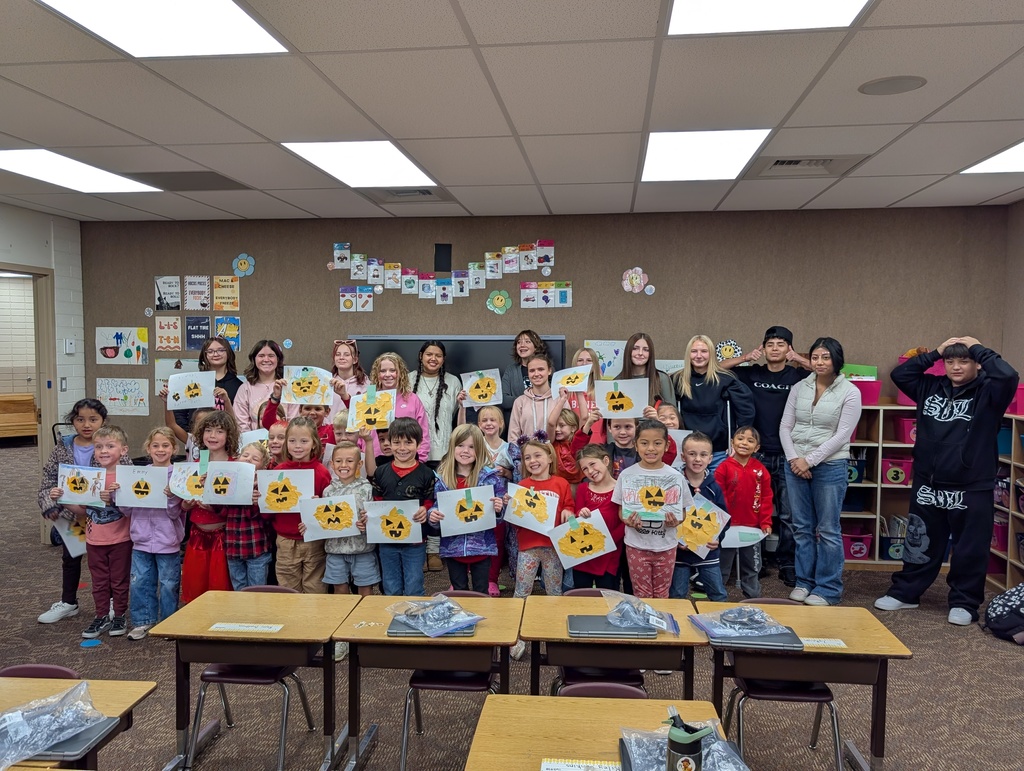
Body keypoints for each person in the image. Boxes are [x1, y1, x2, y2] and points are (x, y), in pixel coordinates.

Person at [875, 337, 1019, 625]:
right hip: (929, 481)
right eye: (950, 361)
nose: (955, 366)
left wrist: (976, 346)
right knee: (919, 540)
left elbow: (1008, 375)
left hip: (971, 484)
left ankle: (964, 602)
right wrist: (937, 352)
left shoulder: (990, 392)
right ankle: (906, 593)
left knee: (970, 546)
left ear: (977, 363)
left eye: (963, 361)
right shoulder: (929, 386)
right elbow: (900, 374)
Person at [721, 326, 809, 586]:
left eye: (781, 344)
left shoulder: (799, 375)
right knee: (748, 507)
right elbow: (717, 367)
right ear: (763, 347)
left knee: (788, 513)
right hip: (752, 453)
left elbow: (831, 374)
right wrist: (746, 357)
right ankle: (752, 558)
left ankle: (787, 562)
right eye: (770, 343)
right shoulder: (751, 373)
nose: (775, 348)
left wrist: (800, 358)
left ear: (788, 349)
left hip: (788, 452)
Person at [780, 337, 862, 606]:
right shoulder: (798, 387)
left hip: (830, 465)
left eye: (825, 357)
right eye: (815, 357)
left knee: (827, 529)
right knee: (801, 528)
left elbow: (842, 435)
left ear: (836, 360)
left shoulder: (850, 391)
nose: (819, 362)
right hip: (795, 465)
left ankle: (828, 589)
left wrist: (810, 460)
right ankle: (804, 583)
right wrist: (795, 459)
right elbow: (785, 427)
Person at [37, 398, 130, 624]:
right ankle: (68, 602)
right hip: (72, 515)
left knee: (107, 562)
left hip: (104, 517)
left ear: (103, 421)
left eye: (93, 419)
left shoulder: (112, 446)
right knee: (71, 558)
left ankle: (110, 602)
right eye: (80, 419)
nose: (86, 424)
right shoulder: (63, 447)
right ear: (73, 421)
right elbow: (48, 478)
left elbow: (126, 478)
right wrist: (49, 503)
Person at [62, 425, 133, 639]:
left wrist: (113, 499)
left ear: (123, 450)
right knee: (99, 581)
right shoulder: (90, 477)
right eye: (99, 446)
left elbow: (134, 508)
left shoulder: (126, 476)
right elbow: (82, 510)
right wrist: (63, 499)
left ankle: (119, 614)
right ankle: (101, 615)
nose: (103, 451)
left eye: (110, 446)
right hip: (93, 539)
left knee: (119, 580)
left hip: (121, 538)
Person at [509, 439, 573, 659]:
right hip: (528, 547)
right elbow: (515, 523)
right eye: (527, 458)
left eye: (537, 456)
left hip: (553, 548)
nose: (532, 461)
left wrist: (568, 512)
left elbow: (568, 507)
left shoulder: (561, 484)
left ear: (549, 457)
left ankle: (553, 635)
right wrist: (513, 508)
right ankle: (515, 637)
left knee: (554, 593)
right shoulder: (523, 486)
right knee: (521, 591)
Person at [613, 418, 690, 599]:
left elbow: (683, 511)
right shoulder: (627, 475)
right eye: (644, 443)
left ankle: (660, 625)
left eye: (657, 443)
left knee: (662, 593)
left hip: (666, 546)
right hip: (636, 545)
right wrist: (627, 520)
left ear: (666, 445)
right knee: (642, 593)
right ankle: (645, 626)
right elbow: (621, 510)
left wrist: (676, 520)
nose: (650, 449)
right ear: (636, 444)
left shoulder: (675, 477)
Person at [429, 424, 506, 594]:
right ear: (452, 448)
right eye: (461, 445)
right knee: (459, 593)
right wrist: (432, 516)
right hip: (453, 549)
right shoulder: (443, 480)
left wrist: (499, 509)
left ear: (479, 449)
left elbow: (500, 515)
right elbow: (436, 507)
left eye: (471, 447)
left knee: (481, 592)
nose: (466, 451)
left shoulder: (490, 479)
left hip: (482, 547)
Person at [124, 427, 184, 640]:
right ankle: (143, 621)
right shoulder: (138, 475)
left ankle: (168, 622)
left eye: (165, 445)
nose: (160, 449)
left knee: (169, 583)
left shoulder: (178, 476)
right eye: (155, 445)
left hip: (167, 539)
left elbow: (176, 512)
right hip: (140, 539)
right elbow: (127, 510)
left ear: (174, 448)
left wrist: (172, 495)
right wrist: (116, 495)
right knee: (140, 581)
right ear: (148, 448)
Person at [412, 341, 466, 571]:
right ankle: (420, 550)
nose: (433, 359)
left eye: (438, 355)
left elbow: (456, 417)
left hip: (444, 454)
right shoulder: (407, 378)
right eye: (429, 354)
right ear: (421, 356)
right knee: (417, 503)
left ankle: (434, 550)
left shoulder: (453, 382)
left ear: (443, 359)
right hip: (414, 453)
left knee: (438, 503)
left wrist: (465, 403)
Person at [366, 418, 436, 596]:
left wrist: (425, 511)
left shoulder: (426, 473)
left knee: (414, 583)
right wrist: (369, 515)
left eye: (408, 442)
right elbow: (376, 501)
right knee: (390, 584)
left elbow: (430, 500)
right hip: (387, 541)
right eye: (397, 442)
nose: (402, 448)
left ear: (419, 444)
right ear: (389, 442)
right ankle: (393, 617)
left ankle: (414, 618)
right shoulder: (381, 472)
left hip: (415, 541)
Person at [177, 411, 238, 603]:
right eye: (208, 431)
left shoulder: (235, 465)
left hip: (223, 536)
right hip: (197, 535)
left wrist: (215, 509)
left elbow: (239, 506)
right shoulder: (196, 464)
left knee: (220, 587)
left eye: (219, 431)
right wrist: (186, 504)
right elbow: (184, 501)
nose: (212, 436)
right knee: (196, 585)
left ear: (228, 435)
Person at [674, 334, 755, 474]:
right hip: (688, 452)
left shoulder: (726, 379)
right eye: (694, 351)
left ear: (711, 354)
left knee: (717, 493)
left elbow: (746, 411)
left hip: (718, 451)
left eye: (704, 351)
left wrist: (739, 440)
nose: (699, 356)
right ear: (688, 354)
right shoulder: (678, 379)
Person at [271, 416, 332, 593]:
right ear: (286, 444)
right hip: (285, 540)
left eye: (304, 441)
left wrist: (318, 507)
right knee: (288, 588)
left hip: (313, 540)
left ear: (314, 443)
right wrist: (263, 499)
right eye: (292, 441)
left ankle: (314, 620)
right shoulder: (278, 472)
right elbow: (268, 513)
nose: (298, 446)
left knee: (315, 587)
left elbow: (329, 509)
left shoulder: (321, 472)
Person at [716, 427, 774, 599]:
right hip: (727, 528)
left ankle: (754, 599)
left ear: (756, 447)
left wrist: (765, 522)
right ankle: (717, 599)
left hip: (753, 528)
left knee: (752, 566)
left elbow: (766, 497)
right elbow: (719, 496)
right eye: (741, 439)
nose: (744, 443)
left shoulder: (761, 470)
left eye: (750, 440)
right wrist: (722, 521)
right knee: (722, 566)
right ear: (733, 442)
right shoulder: (723, 467)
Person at [672, 432, 729, 602]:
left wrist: (717, 539)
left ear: (710, 459)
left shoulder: (714, 488)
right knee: (676, 595)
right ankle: (678, 626)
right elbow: (667, 514)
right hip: (679, 554)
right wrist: (675, 541)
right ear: (683, 456)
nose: (698, 459)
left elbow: (723, 520)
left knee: (718, 594)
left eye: (703, 455)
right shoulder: (675, 484)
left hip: (707, 552)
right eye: (692, 454)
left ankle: (720, 626)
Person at [319, 443, 377, 596]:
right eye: (338, 461)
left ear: (359, 464)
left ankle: (366, 617)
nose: (343, 465)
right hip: (335, 549)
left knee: (365, 588)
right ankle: (343, 617)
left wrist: (366, 523)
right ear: (332, 464)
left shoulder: (367, 489)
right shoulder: (327, 492)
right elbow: (323, 520)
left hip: (362, 548)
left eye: (349, 461)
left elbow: (374, 518)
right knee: (339, 588)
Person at [477, 405, 519, 596]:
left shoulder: (509, 448)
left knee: (497, 541)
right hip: (478, 501)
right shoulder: (475, 445)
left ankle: (491, 579)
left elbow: (518, 475)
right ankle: (467, 577)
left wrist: (506, 472)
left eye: (492, 420)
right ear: (479, 424)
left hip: (501, 503)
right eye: (484, 420)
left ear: (501, 423)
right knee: (475, 540)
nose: (488, 423)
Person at [221, 441, 273, 590]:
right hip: (233, 548)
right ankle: (241, 614)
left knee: (257, 591)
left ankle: (257, 614)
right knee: (238, 589)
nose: (249, 459)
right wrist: (212, 498)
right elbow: (224, 512)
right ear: (237, 459)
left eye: (255, 458)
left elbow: (264, 517)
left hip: (256, 550)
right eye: (245, 455)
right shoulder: (229, 483)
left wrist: (255, 503)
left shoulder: (263, 486)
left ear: (263, 467)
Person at [573, 444, 624, 590]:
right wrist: (579, 514)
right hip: (584, 555)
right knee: (581, 594)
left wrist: (604, 543)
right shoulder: (583, 489)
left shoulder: (620, 489)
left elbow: (624, 524)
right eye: (585, 469)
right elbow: (575, 523)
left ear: (606, 461)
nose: (590, 471)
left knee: (607, 595)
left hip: (609, 555)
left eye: (592, 464)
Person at [367, 352, 431, 464]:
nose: (388, 374)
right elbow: (359, 429)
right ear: (377, 374)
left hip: (407, 459)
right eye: (383, 371)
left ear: (400, 373)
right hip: (374, 459)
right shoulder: (370, 397)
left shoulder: (412, 399)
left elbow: (423, 433)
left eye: (392, 370)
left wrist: (420, 459)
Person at [172, 336, 243, 432]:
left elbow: (240, 419)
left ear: (228, 353)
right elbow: (179, 413)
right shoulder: (193, 381)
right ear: (204, 355)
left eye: (221, 350)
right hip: (196, 441)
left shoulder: (239, 386)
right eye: (210, 351)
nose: (216, 354)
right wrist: (191, 436)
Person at [233, 340, 296, 432]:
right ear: (254, 359)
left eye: (271, 356)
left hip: (285, 441)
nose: (266, 359)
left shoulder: (288, 387)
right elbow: (241, 424)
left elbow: (294, 421)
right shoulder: (245, 388)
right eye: (261, 356)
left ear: (278, 359)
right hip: (253, 443)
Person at [508, 354, 556, 444]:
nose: (536, 374)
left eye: (541, 369)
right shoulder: (520, 402)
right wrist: (518, 457)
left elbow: (567, 432)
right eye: (532, 370)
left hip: (553, 455)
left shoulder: (559, 400)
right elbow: (513, 436)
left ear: (549, 371)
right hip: (527, 456)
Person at [565, 346, 606, 444]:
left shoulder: (603, 391)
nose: (584, 364)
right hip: (574, 443)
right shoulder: (567, 392)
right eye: (580, 360)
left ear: (595, 364)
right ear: (575, 364)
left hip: (597, 445)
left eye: (589, 360)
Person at [624, 332, 675, 408]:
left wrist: (656, 416)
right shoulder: (618, 381)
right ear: (628, 351)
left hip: (655, 420)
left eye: (646, 350)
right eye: (635, 348)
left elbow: (672, 414)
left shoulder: (661, 378)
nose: (640, 353)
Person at [501, 330, 548, 412]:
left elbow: (551, 396)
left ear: (536, 347)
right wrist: (532, 399)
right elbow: (504, 400)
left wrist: (518, 400)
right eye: (519, 342)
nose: (522, 345)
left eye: (527, 341)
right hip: (516, 419)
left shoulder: (546, 368)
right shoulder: (511, 370)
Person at [546, 392, 585, 487]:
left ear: (573, 428)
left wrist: (579, 392)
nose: (557, 429)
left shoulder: (577, 442)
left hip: (576, 484)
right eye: (556, 426)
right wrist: (563, 399)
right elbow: (551, 422)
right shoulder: (553, 442)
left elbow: (584, 417)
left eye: (562, 425)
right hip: (556, 485)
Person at [328, 339, 369, 419]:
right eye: (338, 354)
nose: (341, 357)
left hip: (356, 430)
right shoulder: (326, 383)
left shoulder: (370, 386)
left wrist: (345, 396)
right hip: (331, 430)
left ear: (355, 360)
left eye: (346, 355)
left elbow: (370, 414)